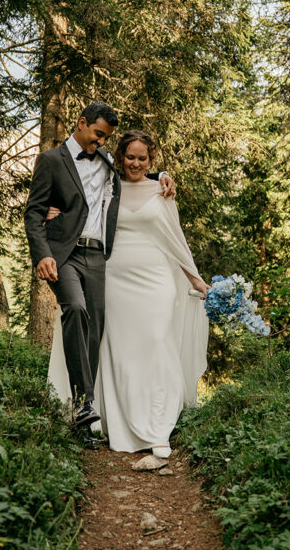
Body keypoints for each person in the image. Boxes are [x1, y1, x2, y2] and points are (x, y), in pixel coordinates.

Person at [47, 130, 209, 461]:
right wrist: (57, 214)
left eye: (143, 158)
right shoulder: (108, 186)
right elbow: (81, 208)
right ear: (121, 157)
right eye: (130, 157)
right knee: (118, 350)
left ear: (152, 161)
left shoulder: (162, 191)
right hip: (115, 277)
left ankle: (157, 427)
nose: (136, 163)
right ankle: (115, 422)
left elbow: (176, 240)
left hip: (156, 280)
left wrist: (196, 281)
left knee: (156, 342)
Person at [24, 103, 175, 449]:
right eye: (98, 134)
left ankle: (83, 418)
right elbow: (33, 214)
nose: (101, 142)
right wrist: (42, 255)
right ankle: (83, 403)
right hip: (63, 254)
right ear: (81, 124)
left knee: (95, 330)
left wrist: (162, 176)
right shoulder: (51, 160)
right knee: (75, 309)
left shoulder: (107, 161)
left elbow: (134, 176)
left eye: (105, 137)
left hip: (97, 256)